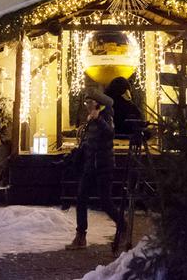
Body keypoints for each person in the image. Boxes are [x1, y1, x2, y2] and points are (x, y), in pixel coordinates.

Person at [66, 89, 128, 253]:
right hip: (89, 166)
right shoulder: (90, 119)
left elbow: (109, 134)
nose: (87, 105)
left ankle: (123, 226)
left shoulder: (106, 117)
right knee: (81, 199)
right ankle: (80, 236)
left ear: (98, 104)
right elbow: (89, 142)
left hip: (104, 166)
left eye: (89, 102)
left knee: (105, 201)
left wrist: (98, 118)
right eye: (86, 102)